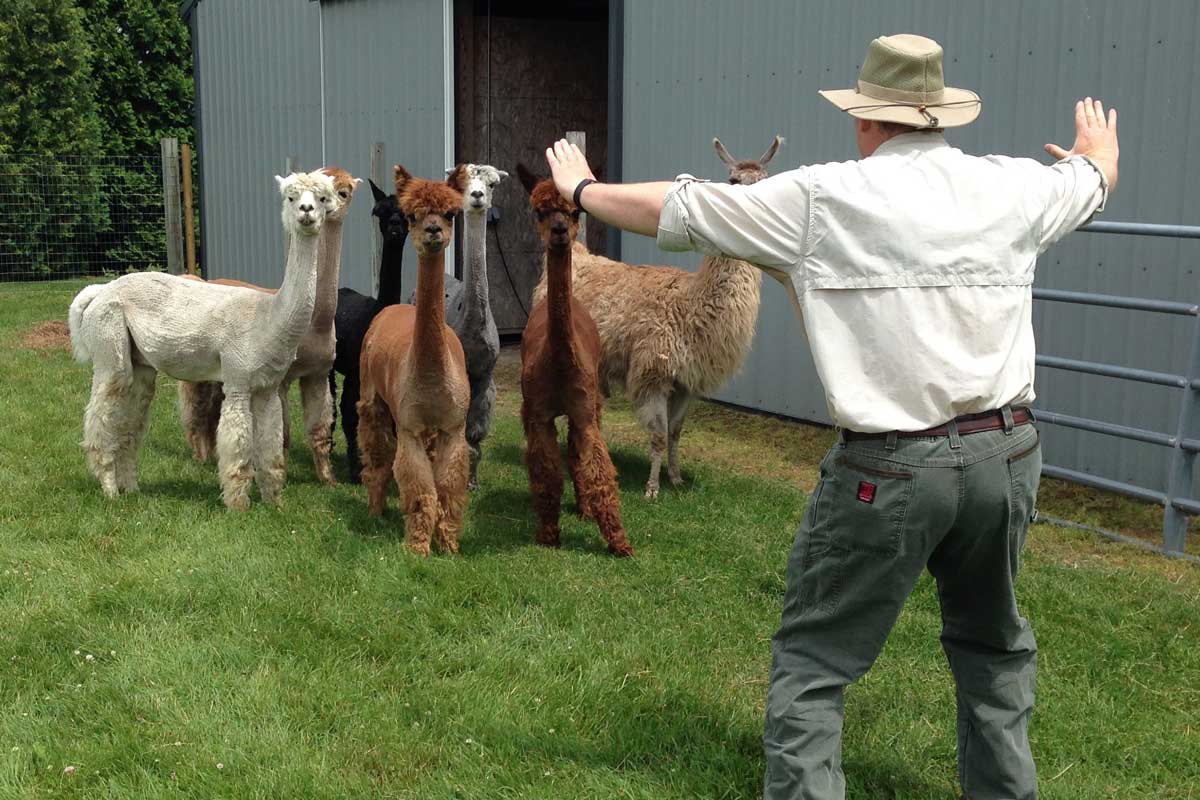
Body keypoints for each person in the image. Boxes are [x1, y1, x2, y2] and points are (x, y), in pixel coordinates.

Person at [544, 33, 1118, 800]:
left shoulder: (822, 197)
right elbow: (1089, 183)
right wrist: (1094, 151)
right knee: (993, 649)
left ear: (865, 121)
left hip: (891, 466)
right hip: (1005, 457)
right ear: (941, 115)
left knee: (815, 665)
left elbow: (679, 208)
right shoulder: (1012, 187)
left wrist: (583, 191)